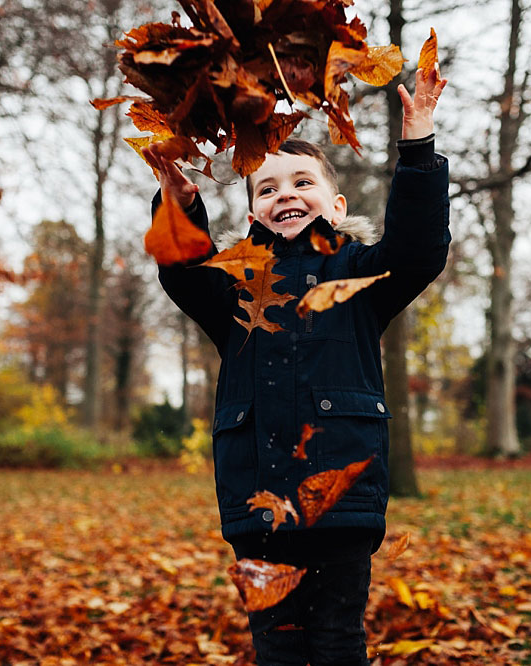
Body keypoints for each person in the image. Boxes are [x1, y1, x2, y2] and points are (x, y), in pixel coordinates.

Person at [142, 61, 449, 666]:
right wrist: (176, 204)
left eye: (301, 183)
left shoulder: (361, 274)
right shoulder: (232, 288)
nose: (286, 194)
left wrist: (418, 146)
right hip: (258, 502)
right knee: (276, 643)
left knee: (337, 639)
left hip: (340, 496)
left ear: (334, 206)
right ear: (255, 213)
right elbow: (180, 272)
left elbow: (418, 249)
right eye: (268, 188)